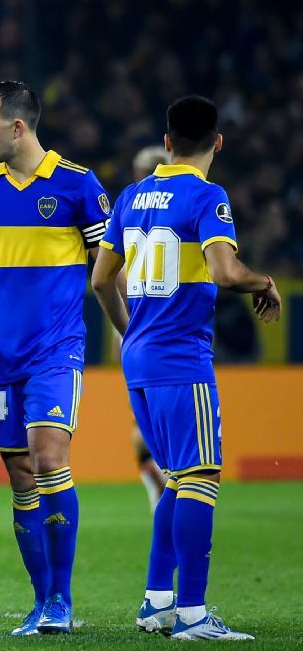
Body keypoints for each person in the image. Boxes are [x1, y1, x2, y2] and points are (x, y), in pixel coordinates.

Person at [91, 96, 279, 641]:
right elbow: (225, 272)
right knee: (201, 476)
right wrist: (262, 281)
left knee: (178, 476)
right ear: (217, 143)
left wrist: (129, 331)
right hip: (180, 355)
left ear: (167, 142)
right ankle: (194, 614)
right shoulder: (207, 195)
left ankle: (157, 601)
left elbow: (102, 280)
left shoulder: (130, 195)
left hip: (140, 356)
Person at [0, 81, 110, 636]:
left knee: (47, 456)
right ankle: (42, 603)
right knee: (20, 476)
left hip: (56, 352)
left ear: (17, 127)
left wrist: (130, 327)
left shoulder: (78, 185)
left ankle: (61, 599)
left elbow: (107, 269)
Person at [129, 145, 173, 511]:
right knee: (167, 417)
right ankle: (169, 477)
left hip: (135, 326)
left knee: (140, 417)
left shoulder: (129, 207)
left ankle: (157, 474)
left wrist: (122, 332)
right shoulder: (182, 205)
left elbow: (105, 278)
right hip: (172, 328)